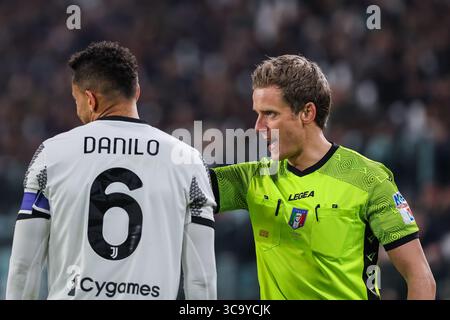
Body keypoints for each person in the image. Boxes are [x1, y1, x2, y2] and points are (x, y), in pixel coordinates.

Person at [210, 55, 436, 300]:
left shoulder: (368, 179)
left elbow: (420, 276)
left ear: (307, 112)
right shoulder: (253, 179)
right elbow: (183, 183)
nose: (257, 126)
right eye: (257, 114)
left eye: (270, 114)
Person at [6, 41, 217, 300]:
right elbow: (202, 280)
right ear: (137, 92)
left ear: (90, 99)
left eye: (76, 101)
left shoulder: (51, 155)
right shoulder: (187, 161)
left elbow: (23, 268)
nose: (77, 109)